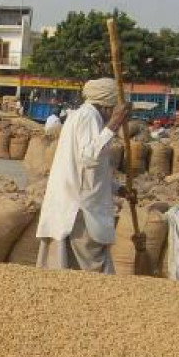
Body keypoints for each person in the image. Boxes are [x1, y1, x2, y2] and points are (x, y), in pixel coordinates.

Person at [35, 78, 132, 274]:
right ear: (107, 106)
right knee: (93, 269)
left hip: (77, 200)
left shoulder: (84, 116)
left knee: (70, 268)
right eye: (114, 109)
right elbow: (90, 157)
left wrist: (117, 188)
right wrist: (114, 124)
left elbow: (90, 170)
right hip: (80, 207)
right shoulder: (89, 116)